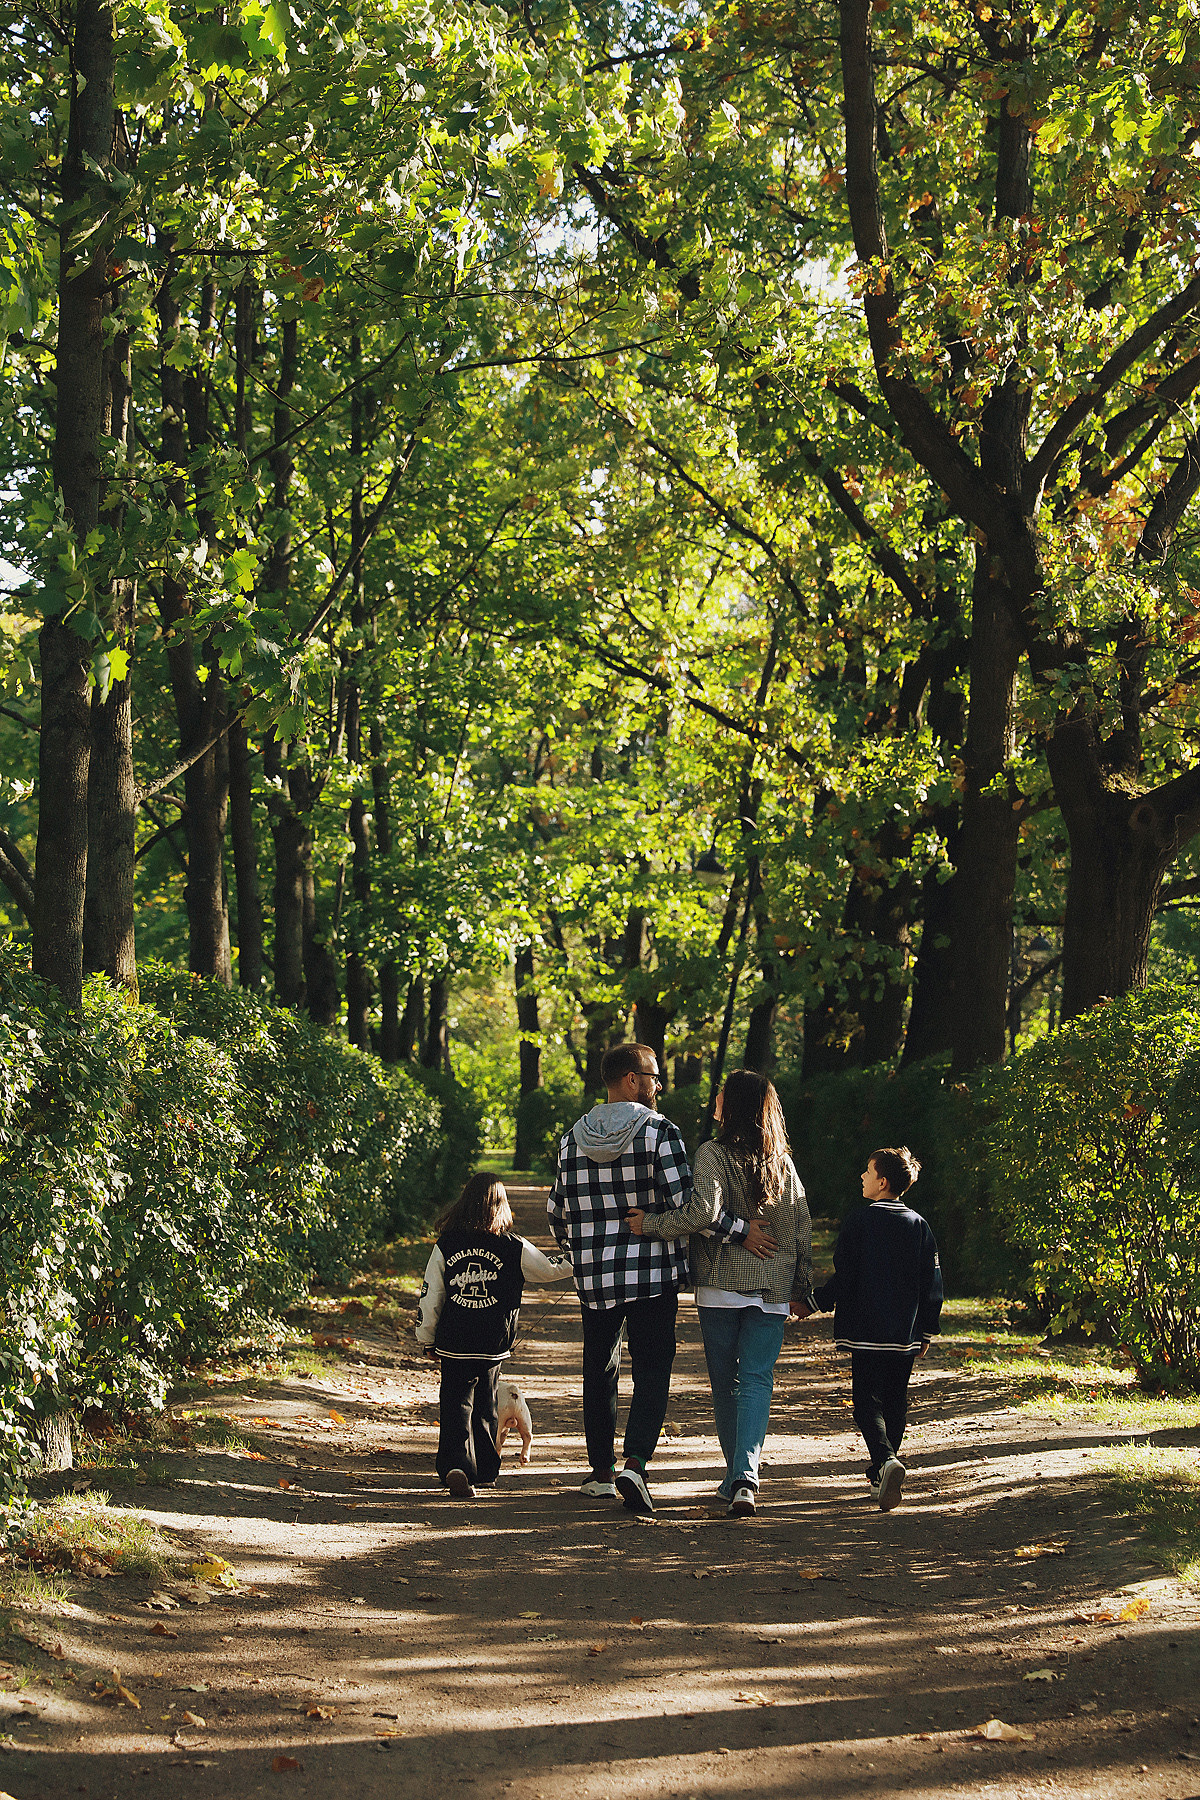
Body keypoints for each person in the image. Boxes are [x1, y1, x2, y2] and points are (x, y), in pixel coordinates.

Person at [548, 1042, 778, 1516]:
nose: (659, 1085)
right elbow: (689, 1207)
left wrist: (580, 1253)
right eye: (654, 1076)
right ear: (632, 1079)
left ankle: (601, 1472)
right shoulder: (659, 1133)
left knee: (599, 1370)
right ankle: (636, 1462)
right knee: (652, 1368)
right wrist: (742, 1232)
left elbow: (557, 1211)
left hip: (596, 1279)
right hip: (652, 1274)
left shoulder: (572, 1139)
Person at [628, 1070, 813, 1518]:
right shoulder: (782, 1163)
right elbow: (802, 1226)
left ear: (733, 1105)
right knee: (757, 1380)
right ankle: (743, 1478)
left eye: (722, 1094)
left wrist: (650, 1224)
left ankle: (739, 1476)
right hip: (772, 1287)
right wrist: (802, 1286)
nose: (715, 1098)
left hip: (721, 1286)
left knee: (726, 1385)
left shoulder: (712, 1153)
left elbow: (701, 1213)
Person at [417, 1172, 571, 1499]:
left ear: (464, 1203)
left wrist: (427, 1336)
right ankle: (486, 1469)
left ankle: (456, 1464)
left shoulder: (447, 1244)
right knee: (486, 1404)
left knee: (455, 1403)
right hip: (492, 1342)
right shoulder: (513, 1246)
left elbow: (432, 1294)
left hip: (454, 1341)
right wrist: (578, 1257)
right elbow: (548, 1269)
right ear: (501, 1206)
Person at [812, 1146, 943, 1511]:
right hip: (904, 1334)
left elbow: (846, 1276)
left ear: (882, 1182)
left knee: (866, 1404)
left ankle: (885, 1461)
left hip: (865, 1332)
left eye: (867, 1172)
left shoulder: (859, 1221)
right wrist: (927, 1329)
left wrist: (815, 1302)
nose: (862, 1177)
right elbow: (932, 1282)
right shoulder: (919, 1225)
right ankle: (881, 1475)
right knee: (895, 1403)